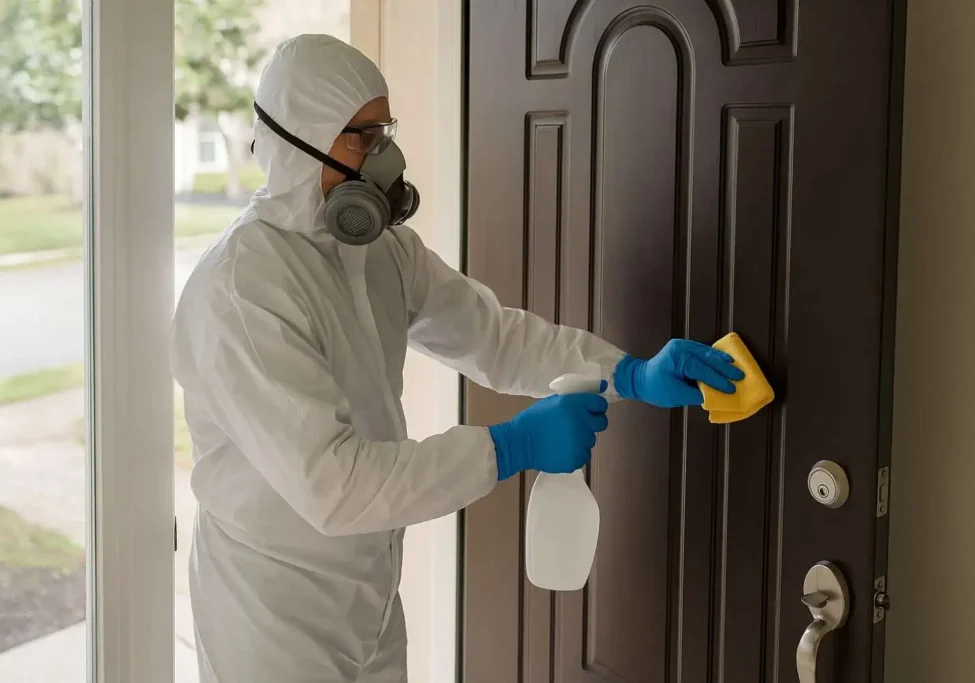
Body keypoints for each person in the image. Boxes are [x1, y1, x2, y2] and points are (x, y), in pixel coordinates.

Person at [170, 34, 743, 683]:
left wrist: (629, 373)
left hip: (372, 595)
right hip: (272, 616)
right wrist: (508, 446)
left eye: (384, 131)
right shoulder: (242, 290)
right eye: (362, 136)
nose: (385, 156)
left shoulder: (382, 252)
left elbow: (494, 336)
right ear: (302, 139)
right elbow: (336, 484)